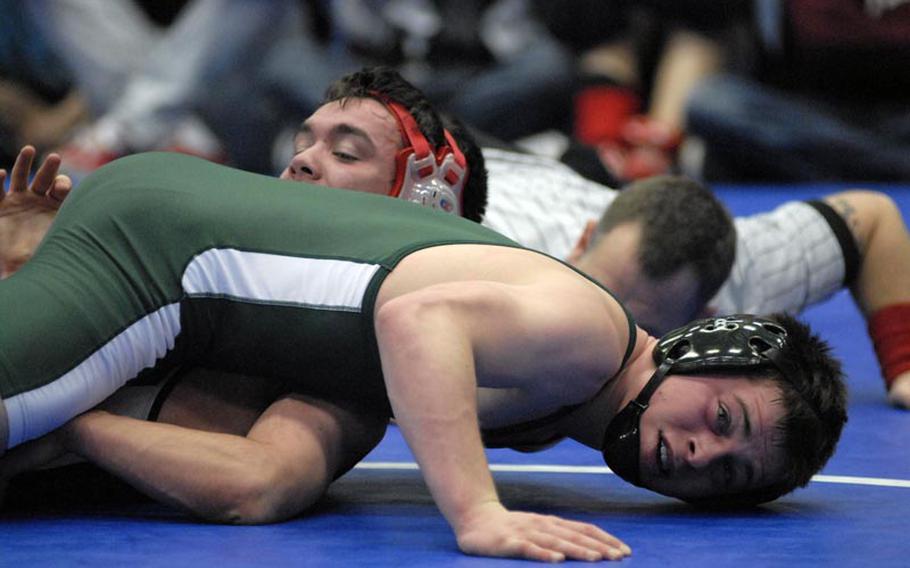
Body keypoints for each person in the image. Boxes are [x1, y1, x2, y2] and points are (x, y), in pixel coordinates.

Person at [0, 151, 846, 562]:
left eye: (726, 471)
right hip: (164, 260)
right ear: (706, 347)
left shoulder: (568, 402)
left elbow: (295, 448)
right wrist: (478, 512)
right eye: (724, 418)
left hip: (184, 285)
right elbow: (418, 320)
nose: (700, 452)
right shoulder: (591, 338)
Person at [480, 147, 910, 407]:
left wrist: (904, 370)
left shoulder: (744, 275)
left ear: (700, 321)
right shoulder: (498, 252)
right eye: (590, 287)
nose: (595, 323)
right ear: (583, 241)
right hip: (473, 160)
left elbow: (870, 219)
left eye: (636, 326)